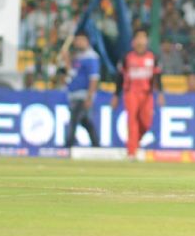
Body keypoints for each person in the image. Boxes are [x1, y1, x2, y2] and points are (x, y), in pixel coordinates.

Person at [111, 29, 165, 159]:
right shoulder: (127, 57)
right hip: (131, 93)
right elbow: (120, 77)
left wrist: (160, 93)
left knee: (146, 122)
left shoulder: (153, 57)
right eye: (138, 38)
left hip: (147, 94)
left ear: (147, 41)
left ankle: (135, 142)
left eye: (143, 38)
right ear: (133, 42)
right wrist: (116, 95)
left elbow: (157, 77)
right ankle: (131, 152)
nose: (141, 41)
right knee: (132, 120)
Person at [62, 32, 100, 147]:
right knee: (85, 121)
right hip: (74, 94)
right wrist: (67, 60)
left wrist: (90, 97)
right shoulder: (77, 56)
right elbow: (72, 74)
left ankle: (68, 145)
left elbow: (94, 78)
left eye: (81, 40)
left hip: (83, 95)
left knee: (74, 120)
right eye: (77, 40)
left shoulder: (91, 57)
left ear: (87, 41)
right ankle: (96, 145)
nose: (78, 43)